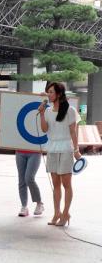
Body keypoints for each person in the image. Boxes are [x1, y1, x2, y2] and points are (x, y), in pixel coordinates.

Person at [38, 82, 81, 227]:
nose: (48, 94)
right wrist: (42, 114)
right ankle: (57, 213)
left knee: (66, 183)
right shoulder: (48, 111)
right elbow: (44, 130)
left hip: (66, 148)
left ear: (59, 94)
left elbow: (73, 132)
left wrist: (76, 150)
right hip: (52, 147)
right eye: (47, 92)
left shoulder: (70, 110)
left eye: (51, 92)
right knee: (55, 183)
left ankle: (66, 212)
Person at [15, 150, 44, 217]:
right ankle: (24, 206)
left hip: (35, 152)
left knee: (29, 178)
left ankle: (39, 203)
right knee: (21, 180)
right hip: (19, 151)